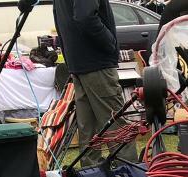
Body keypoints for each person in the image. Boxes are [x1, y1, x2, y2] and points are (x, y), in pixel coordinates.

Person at [53, 0, 136, 165]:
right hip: (96, 62)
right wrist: (109, 43)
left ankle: (91, 176)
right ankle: (128, 172)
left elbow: (61, 16)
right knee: (116, 123)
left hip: (78, 63)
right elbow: (85, 17)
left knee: (87, 128)